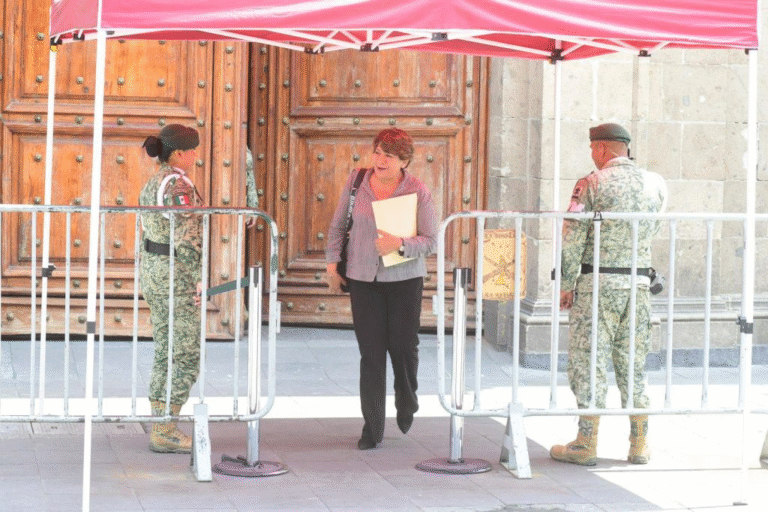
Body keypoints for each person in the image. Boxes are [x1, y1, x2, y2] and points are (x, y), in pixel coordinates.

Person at [551, 123, 667, 466]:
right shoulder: (654, 183)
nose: (592, 156)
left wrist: (566, 283)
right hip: (639, 285)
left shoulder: (591, 183)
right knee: (633, 361)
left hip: (598, 286)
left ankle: (586, 443)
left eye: (592, 150)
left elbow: (573, 236)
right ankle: (639, 443)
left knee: (590, 360)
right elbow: (655, 228)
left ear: (601, 149)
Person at [325, 128, 438, 450]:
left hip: (404, 280)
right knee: (371, 355)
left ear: (404, 160)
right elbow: (337, 225)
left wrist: (400, 244)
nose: (380, 159)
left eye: (388, 155)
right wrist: (332, 264)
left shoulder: (417, 190)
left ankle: (407, 400)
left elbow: (431, 240)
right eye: (377, 152)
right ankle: (372, 428)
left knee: (403, 348)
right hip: (363, 278)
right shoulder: (356, 181)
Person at [139, 124, 204, 454]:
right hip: (175, 277)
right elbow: (187, 236)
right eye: (192, 151)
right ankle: (165, 429)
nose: (195, 156)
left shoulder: (155, 180)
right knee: (184, 352)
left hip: (155, 273)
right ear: (179, 153)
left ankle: (161, 421)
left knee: (166, 350)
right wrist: (197, 278)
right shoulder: (177, 183)